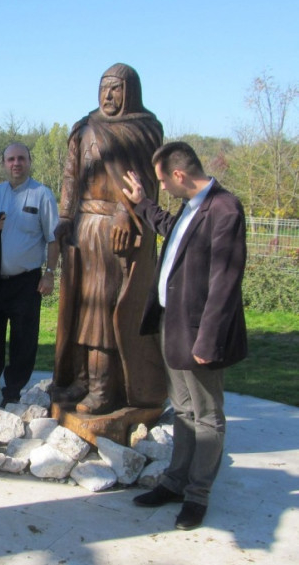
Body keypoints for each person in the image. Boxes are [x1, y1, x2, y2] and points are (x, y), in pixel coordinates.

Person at [124, 141, 247, 531]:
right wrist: (143, 203)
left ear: (179, 174)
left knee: (207, 416)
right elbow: (173, 233)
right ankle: (175, 482)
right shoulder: (190, 207)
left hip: (199, 334)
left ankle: (197, 496)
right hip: (171, 324)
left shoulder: (225, 209)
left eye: (162, 181)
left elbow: (225, 283)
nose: (163, 187)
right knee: (183, 410)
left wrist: (208, 341)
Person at [52, 62, 166, 415]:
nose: (109, 94)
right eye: (104, 87)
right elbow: (71, 175)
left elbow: (147, 180)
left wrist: (125, 212)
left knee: (102, 311)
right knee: (78, 309)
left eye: (116, 88)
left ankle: (103, 389)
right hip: (82, 228)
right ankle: (80, 380)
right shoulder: (85, 127)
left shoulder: (145, 129)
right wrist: (65, 216)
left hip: (114, 232)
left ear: (130, 92)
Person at [0, 143, 59, 410]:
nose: (16, 163)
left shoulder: (42, 195)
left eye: (21, 158)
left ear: (29, 161)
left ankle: (13, 392)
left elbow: (53, 238)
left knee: (23, 340)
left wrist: (50, 274)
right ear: (3, 163)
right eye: (11, 159)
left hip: (25, 282)